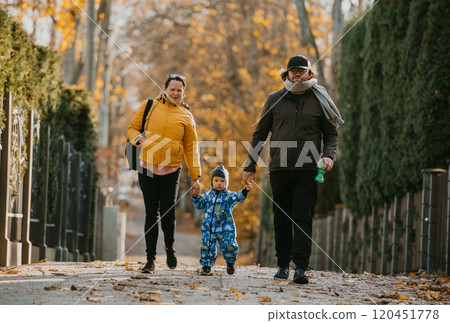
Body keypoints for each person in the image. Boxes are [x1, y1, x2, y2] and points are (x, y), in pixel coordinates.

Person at [242, 55, 343, 284]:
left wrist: (328, 156)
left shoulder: (319, 100)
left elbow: (331, 134)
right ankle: (282, 265)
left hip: (309, 168)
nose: (298, 75)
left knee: (302, 217)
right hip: (279, 168)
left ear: (310, 73)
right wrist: (250, 165)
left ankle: (300, 268)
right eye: (293, 71)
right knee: (281, 218)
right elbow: (260, 134)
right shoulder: (274, 99)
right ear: (286, 74)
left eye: (302, 71)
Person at [127, 74, 201, 273]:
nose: (175, 93)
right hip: (147, 167)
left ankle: (170, 248)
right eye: (172, 90)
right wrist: (139, 140)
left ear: (183, 93)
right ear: (165, 89)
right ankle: (150, 260)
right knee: (151, 213)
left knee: (168, 213)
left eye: (179, 90)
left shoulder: (186, 116)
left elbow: (191, 148)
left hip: (172, 170)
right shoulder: (149, 106)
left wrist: (196, 178)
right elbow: (132, 129)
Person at [192, 165, 252, 276]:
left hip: (225, 228)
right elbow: (199, 204)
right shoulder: (208, 195)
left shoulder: (228, 196)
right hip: (209, 228)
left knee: (229, 246)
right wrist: (195, 197)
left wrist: (245, 191)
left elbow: (237, 197)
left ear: (226, 182)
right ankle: (206, 266)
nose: (219, 183)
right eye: (216, 180)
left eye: (222, 181)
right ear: (212, 182)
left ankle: (230, 263)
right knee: (207, 246)